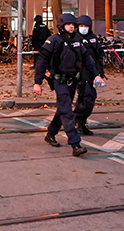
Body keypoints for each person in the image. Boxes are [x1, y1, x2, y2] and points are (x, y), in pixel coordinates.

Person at [34, 13, 103, 157]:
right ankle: (75, 143)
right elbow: (41, 62)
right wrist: (37, 83)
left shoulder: (77, 41)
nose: (72, 27)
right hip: (59, 81)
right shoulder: (53, 41)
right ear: (61, 26)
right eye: (68, 24)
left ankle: (50, 134)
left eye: (73, 24)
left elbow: (87, 59)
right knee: (67, 111)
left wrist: (96, 74)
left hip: (73, 80)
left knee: (62, 109)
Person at [74, 15, 104, 136]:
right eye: (81, 26)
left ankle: (82, 121)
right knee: (84, 96)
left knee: (91, 97)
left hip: (93, 73)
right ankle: (78, 121)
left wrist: (100, 71)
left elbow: (99, 54)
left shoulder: (93, 38)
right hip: (80, 73)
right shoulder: (75, 38)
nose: (84, 28)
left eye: (86, 26)